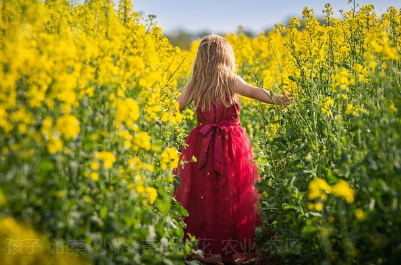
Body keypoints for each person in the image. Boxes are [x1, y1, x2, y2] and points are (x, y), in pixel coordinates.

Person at [173, 34, 292, 265]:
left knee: (202, 194)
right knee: (232, 194)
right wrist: (279, 99)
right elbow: (255, 91)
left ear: (200, 59)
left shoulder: (195, 82)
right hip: (231, 144)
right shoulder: (229, 79)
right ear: (227, 57)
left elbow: (175, 107)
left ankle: (201, 248)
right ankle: (229, 250)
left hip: (202, 144)